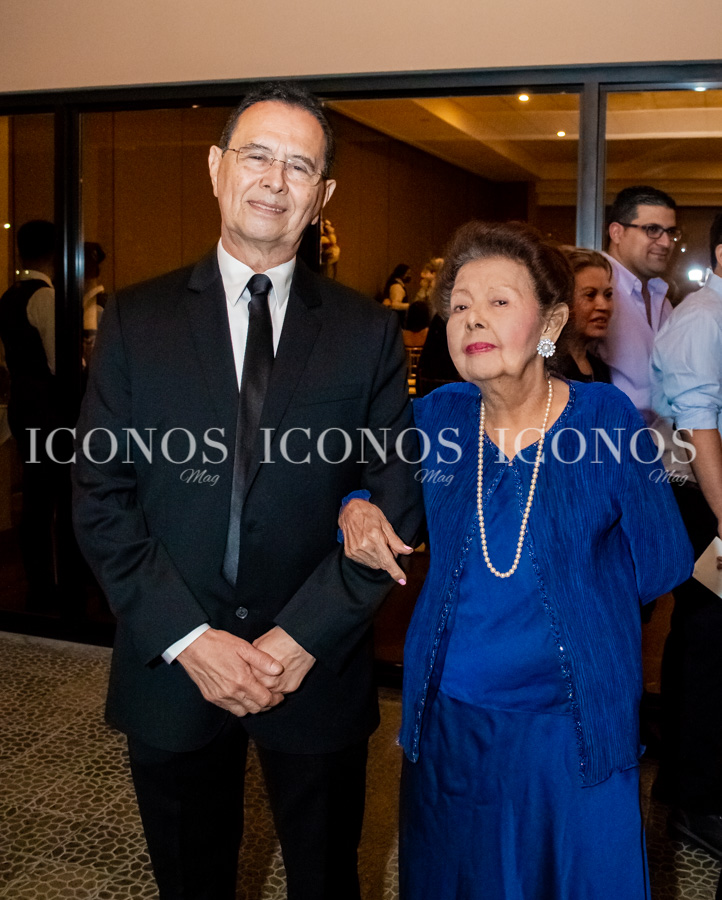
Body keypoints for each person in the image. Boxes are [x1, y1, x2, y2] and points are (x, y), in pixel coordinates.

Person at [72, 81, 422, 900]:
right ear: (215, 168)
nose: (274, 179)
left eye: (300, 166)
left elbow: (394, 498)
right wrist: (191, 639)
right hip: (175, 662)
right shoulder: (134, 320)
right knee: (191, 879)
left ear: (323, 194)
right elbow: (101, 497)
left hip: (316, 661)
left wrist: (296, 638)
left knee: (326, 878)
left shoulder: (367, 331)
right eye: (256, 155)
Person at [339, 220, 693, 899]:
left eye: (499, 301)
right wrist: (354, 502)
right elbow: (364, 479)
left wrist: (588, 609)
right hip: (451, 719)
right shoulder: (435, 417)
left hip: (570, 726)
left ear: (551, 320)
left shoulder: (606, 419)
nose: (472, 316)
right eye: (460, 303)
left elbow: (661, 559)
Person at [650, 211, 722, 859]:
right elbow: (700, 431)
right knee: (707, 650)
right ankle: (694, 804)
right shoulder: (704, 317)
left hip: (711, 493)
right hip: (701, 497)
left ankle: (692, 788)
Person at [0, 219, 60, 608]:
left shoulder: (9, 295)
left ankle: (39, 578)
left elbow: (5, 359)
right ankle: (49, 582)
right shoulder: (46, 297)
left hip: (22, 400)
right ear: (56, 254)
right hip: (49, 406)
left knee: (37, 493)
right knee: (54, 494)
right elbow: (60, 364)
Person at [599, 185, 680, 423]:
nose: (666, 243)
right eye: (652, 230)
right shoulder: (595, 288)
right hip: (604, 437)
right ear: (616, 232)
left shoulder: (661, 297)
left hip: (658, 440)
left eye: (671, 232)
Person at [555, 246, 613, 383]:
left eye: (608, 295)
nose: (603, 306)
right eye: (590, 295)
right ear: (562, 300)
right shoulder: (546, 368)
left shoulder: (600, 368)